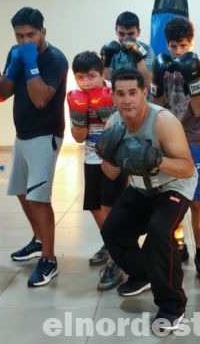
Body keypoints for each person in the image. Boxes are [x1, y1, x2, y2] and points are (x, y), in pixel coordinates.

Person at [97, 67, 197, 332]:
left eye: (133, 92)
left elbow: (188, 168)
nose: (127, 100)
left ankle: (172, 305)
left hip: (173, 186)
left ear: (144, 93)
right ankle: (142, 275)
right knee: (112, 230)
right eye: (121, 94)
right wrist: (108, 153)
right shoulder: (114, 124)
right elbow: (110, 174)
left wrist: (155, 159)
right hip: (141, 186)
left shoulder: (163, 121)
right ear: (113, 97)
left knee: (159, 234)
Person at [0, 7, 68, 287]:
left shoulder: (55, 59)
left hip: (45, 135)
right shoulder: (18, 52)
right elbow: (3, 92)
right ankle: (39, 241)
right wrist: (11, 68)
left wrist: (30, 64)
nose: (25, 41)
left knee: (39, 199)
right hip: (22, 134)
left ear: (43, 32)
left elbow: (40, 99)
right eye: (19, 36)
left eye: (31, 35)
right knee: (22, 193)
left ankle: (49, 259)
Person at [151, 16, 200, 281]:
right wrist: (157, 78)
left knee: (196, 201)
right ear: (167, 45)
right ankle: (178, 245)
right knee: (172, 199)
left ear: (191, 42)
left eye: (182, 45)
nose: (178, 51)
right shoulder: (164, 66)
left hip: (195, 142)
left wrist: (191, 77)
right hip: (169, 141)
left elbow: (199, 110)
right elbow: (158, 106)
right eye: (173, 46)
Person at [67, 51, 127, 290]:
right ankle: (113, 243)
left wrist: (108, 114)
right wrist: (80, 117)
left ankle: (116, 260)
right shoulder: (76, 96)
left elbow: (133, 121)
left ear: (102, 73)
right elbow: (79, 137)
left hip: (114, 158)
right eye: (80, 77)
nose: (86, 82)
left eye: (91, 76)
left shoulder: (116, 90)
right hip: (91, 156)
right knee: (94, 206)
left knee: (109, 207)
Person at [100, 11, 154, 96]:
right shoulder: (112, 50)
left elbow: (148, 84)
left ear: (138, 32)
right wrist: (106, 64)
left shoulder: (146, 50)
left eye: (130, 34)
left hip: (141, 99)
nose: (126, 38)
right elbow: (108, 85)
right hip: (119, 99)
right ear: (116, 31)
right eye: (121, 34)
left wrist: (139, 58)